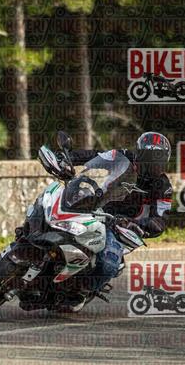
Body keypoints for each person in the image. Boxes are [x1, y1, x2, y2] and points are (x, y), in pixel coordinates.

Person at [62, 132, 174, 311]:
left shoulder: (163, 186)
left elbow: (159, 221)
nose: (152, 164)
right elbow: (96, 156)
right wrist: (69, 158)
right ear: (138, 154)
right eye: (148, 158)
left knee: (108, 264)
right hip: (95, 208)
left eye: (157, 160)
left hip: (120, 227)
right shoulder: (123, 156)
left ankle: (81, 290)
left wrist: (135, 224)